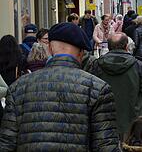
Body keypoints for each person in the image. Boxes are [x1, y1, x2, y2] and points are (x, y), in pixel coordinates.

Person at [0, 22, 120, 151]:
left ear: (50, 49)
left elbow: (7, 143)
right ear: (81, 53)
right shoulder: (97, 89)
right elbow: (106, 146)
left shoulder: (18, 87)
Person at [89, 33, 142, 139]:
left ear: (108, 46)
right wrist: (139, 107)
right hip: (133, 118)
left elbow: (91, 92)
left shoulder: (97, 65)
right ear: (126, 46)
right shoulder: (137, 65)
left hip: (104, 119)